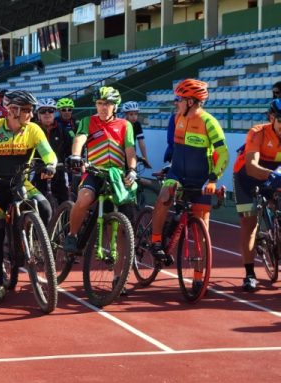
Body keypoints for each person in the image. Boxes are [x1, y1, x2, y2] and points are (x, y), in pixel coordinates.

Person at [0, 90, 57, 304]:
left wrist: (50, 165)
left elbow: (48, 152)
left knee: (45, 207)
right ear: (13, 110)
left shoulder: (33, 129)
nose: (31, 115)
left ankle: (37, 244)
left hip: (21, 183)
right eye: (27, 110)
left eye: (31, 110)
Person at [147, 79, 229, 270]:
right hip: (177, 174)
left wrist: (213, 179)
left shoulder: (209, 122)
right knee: (164, 195)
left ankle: (199, 278)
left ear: (190, 102)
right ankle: (156, 242)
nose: (176, 102)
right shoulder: (177, 118)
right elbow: (176, 149)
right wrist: (168, 167)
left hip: (201, 179)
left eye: (179, 99)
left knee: (202, 231)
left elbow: (223, 153)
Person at [63, 86, 137, 254]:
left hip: (116, 175)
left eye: (108, 104)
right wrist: (76, 155)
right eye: (100, 103)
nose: (103, 107)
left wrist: (132, 169)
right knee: (84, 199)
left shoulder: (125, 125)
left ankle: (119, 264)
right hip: (94, 172)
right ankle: (72, 235)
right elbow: (79, 139)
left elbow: (130, 150)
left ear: (115, 106)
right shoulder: (87, 121)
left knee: (118, 218)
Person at [231, 99, 281, 291]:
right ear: (272, 118)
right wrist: (273, 176)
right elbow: (252, 167)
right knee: (249, 223)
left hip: (275, 175)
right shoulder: (258, 132)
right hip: (247, 177)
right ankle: (250, 274)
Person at [34, 97, 71, 205]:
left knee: (64, 200)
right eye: (43, 111)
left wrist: (71, 160)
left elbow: (69, 149)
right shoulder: (32, 129)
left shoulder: (61, 129)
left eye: (50, 110)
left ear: (54, 113)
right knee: (38, 201)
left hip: (58, 169)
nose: (47, 113)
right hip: (38, 171)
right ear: (38, 114)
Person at [120, 101, 151, 168]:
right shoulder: (121, 124)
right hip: (120, 154)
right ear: (125, 115)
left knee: (133, 172)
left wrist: (145, 158)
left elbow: (141, 142)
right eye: (131, 114)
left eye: (136, 114)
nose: (134, 117)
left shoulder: (137, 124)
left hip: (132, 153)